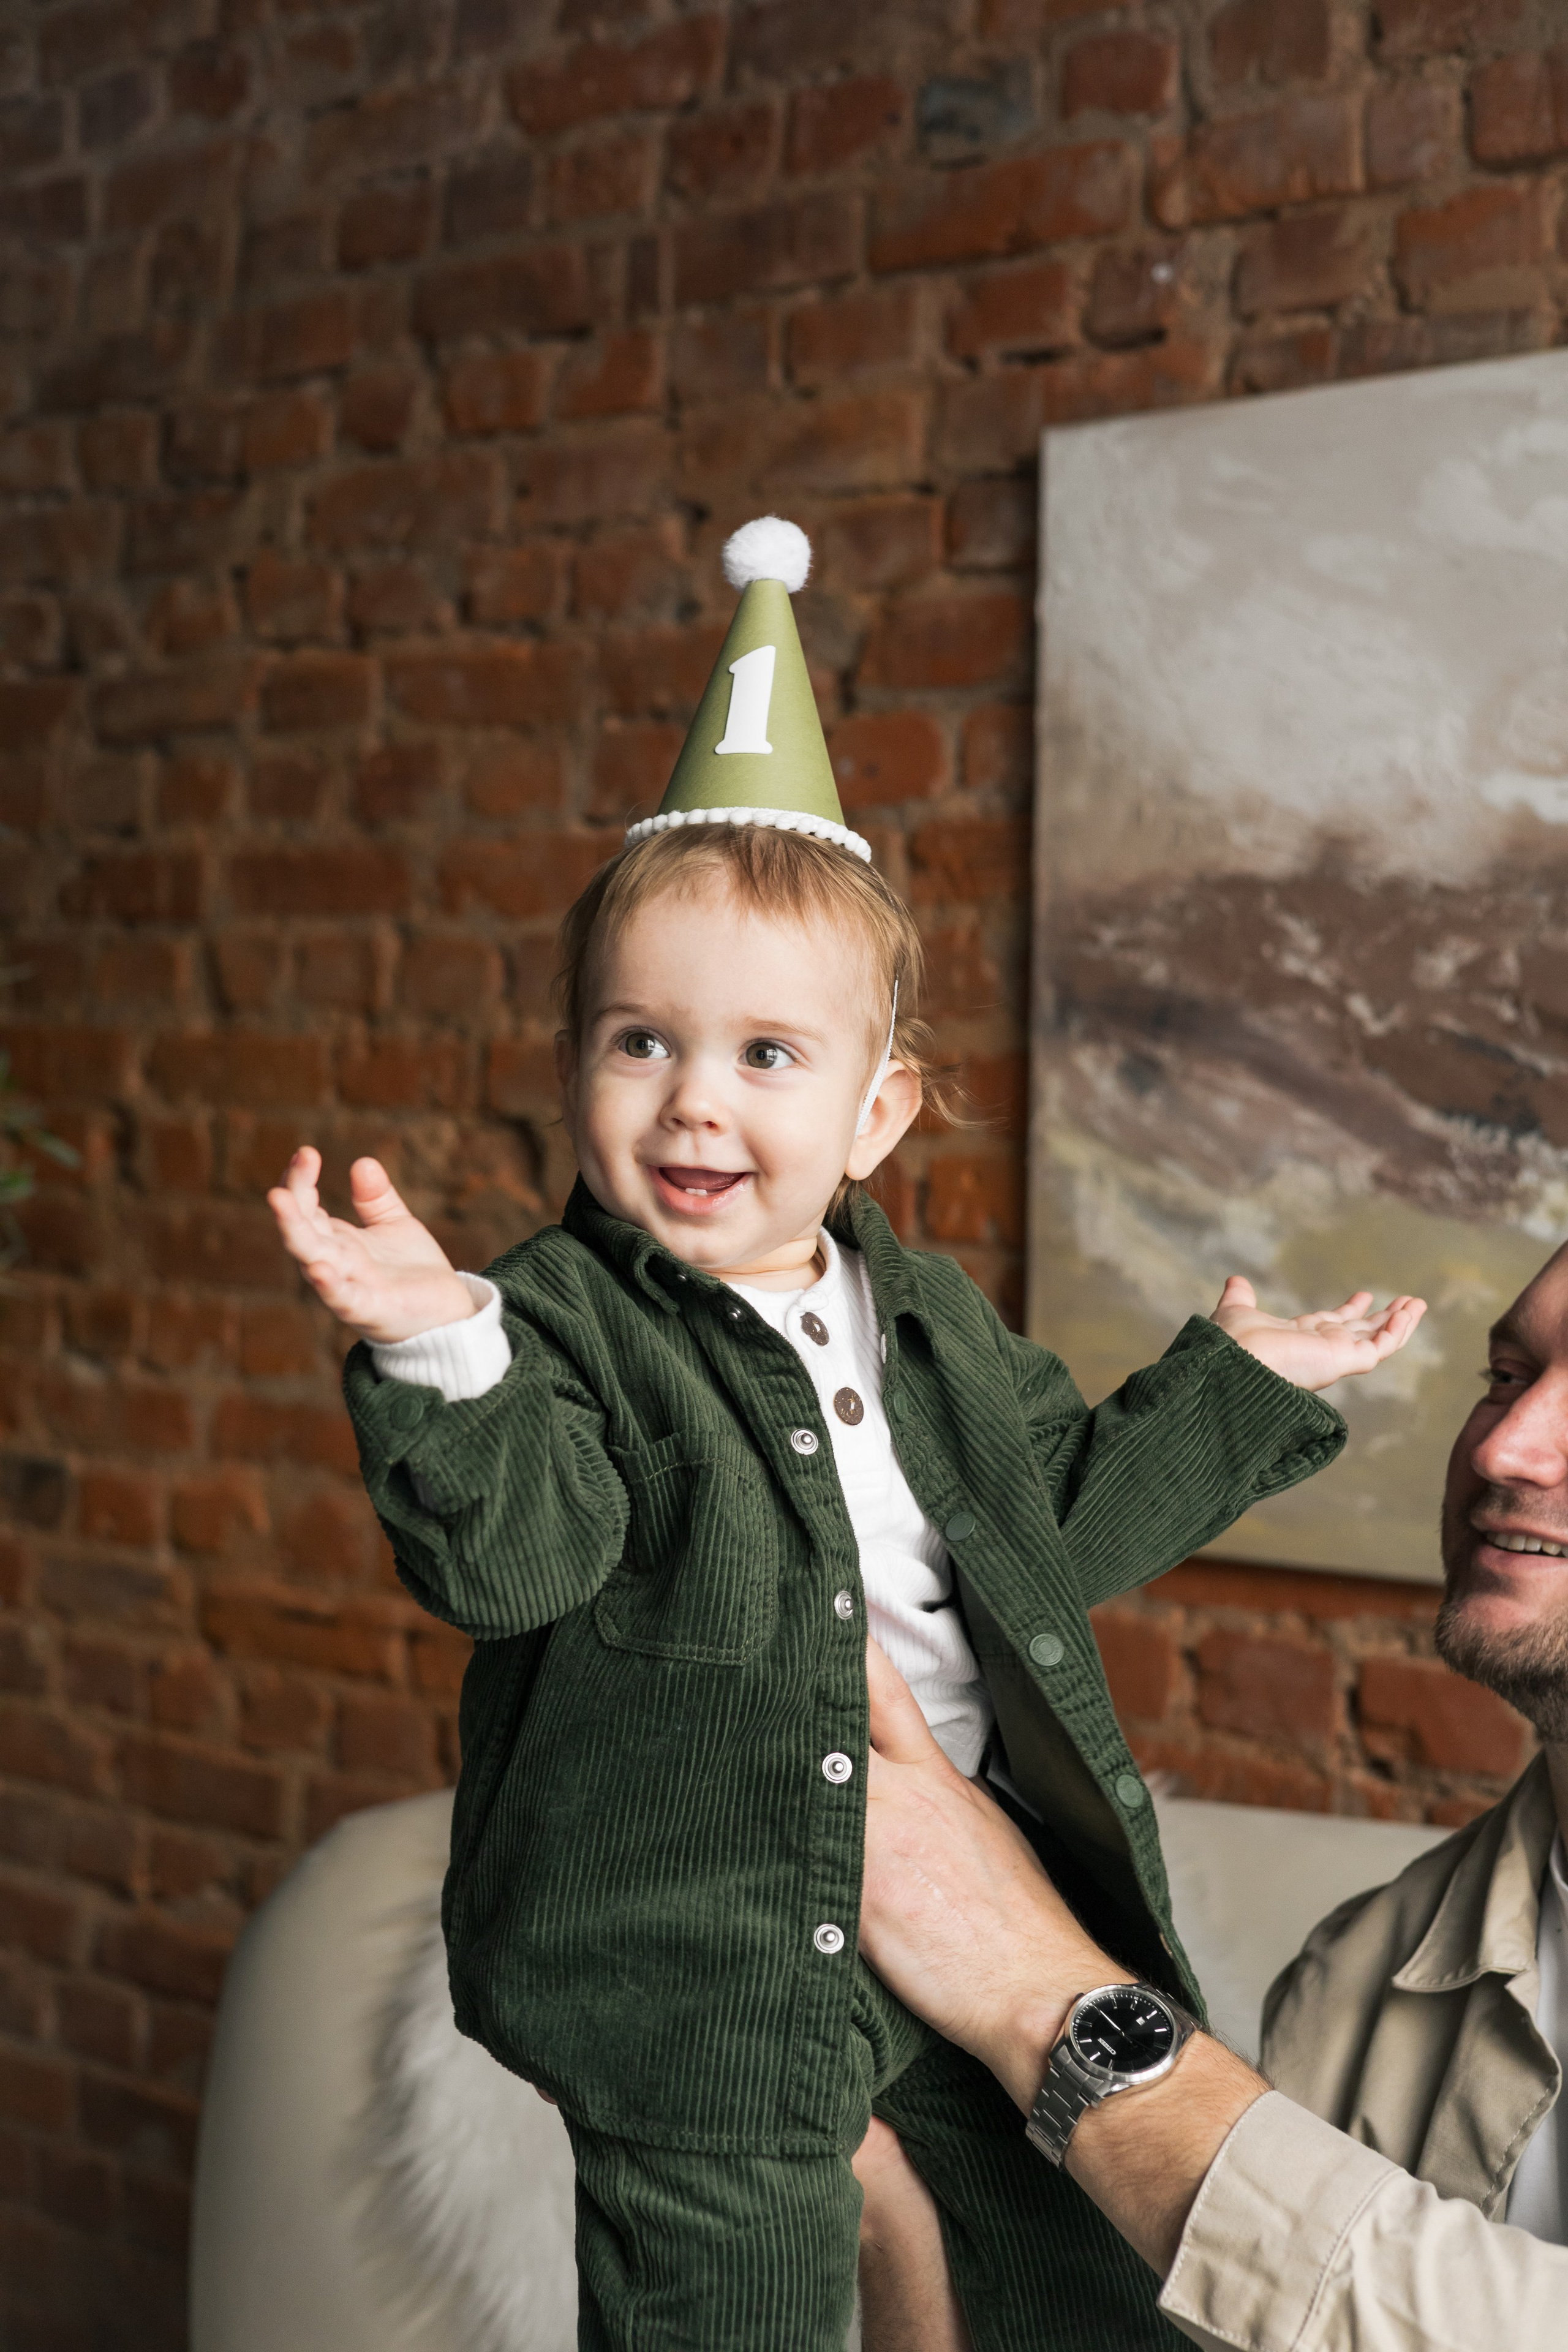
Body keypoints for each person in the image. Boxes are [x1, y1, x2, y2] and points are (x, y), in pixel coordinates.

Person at [266, 516, 1424, 2352]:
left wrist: (1242, 1390)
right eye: (638, 1042)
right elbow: (522, 1556)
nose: (694, 1101)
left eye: (766, 1056)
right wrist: (439, 1347)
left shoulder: (929, 1322)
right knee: (729, 2302)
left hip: (962, 1911)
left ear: (880, 1111)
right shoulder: (553, 1321)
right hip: (698, 1961)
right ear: (573, 1063)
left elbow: (1056, 1517)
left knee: (1081, 2282)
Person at [857, 1238, 1568, 2350]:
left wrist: (1040, 1989)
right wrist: (896, 2235)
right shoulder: (1365, 1976)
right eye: (1509, 1377)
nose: (1509, 1448)